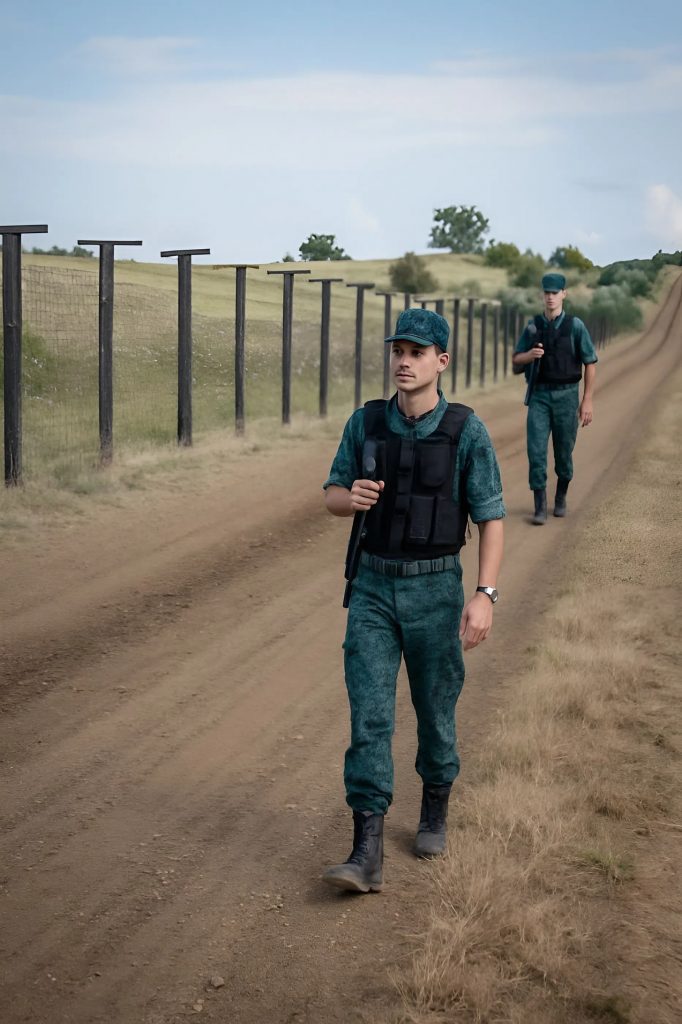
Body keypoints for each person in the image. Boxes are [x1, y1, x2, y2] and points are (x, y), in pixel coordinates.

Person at [321, 308, 505, 893]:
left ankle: (434, 807)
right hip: (373, 587)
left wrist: (484, 595)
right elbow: (331, 493)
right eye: (398, 350)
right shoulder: (366, 423)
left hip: (435, 589)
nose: (404, 361)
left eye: (417, 353)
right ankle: (366, 851)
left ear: (441, 361)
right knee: (370, 716)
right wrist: (349, 498)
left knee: (435, 709)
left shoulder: (466, 430)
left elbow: (491, 517)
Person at [512, 272, 598, 524]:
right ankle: (539, 507)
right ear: (542, 295)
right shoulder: (533, 326)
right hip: (539, 396)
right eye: (547, 292)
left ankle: (561, 497)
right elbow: (516, 360)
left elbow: (590, 362)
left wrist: (587, 399)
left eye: (555, 292)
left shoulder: (575, 326)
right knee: (536, 452)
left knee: (563, 452)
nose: (550, 297)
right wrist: (530, 355)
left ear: (564, 294)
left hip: (567, 396)